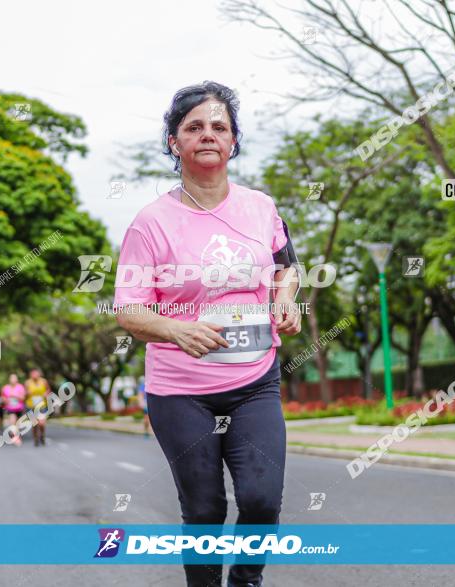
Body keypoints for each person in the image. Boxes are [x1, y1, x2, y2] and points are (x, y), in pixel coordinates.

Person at [113, 81, 302, 587]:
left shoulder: (261, 207)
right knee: (203, 509)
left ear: (234, 141)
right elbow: (128, 308)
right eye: (194, 127)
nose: (208, 135)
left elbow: (288, 266)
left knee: (262, 499)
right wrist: (176, 329)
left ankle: (245, 580)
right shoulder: (150, 224)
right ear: (174, 142)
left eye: (219, 126)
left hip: (255, 380)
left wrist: (285, 299)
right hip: (180, 392)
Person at [24, 369, 50, 446]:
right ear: (30, 375)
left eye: (36, 374)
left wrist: (46, 393)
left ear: (39, 374)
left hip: (42, 406)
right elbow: (23, 394)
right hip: (30, 406)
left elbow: (48, 389)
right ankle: (35, 438)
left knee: (42, 423)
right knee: (34, 424)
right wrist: (27, 393)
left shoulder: (43, 381)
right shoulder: (27, 383)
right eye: (33, 374)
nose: (35, 375)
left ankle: (42, 435)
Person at [1, 373, 27, 446]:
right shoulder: (5, 388)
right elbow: (2, 397)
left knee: (18, 424)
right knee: (12, 423)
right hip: (10, 408)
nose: (13, 380)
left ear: (17, 379)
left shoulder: (20, 387)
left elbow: (23, 398)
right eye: (11, 378)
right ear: (9, 380)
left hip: (19, 408)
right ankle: (16, 438)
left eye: (14, 378)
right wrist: (5, 400)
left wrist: (15, 396)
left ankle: (17, 436)